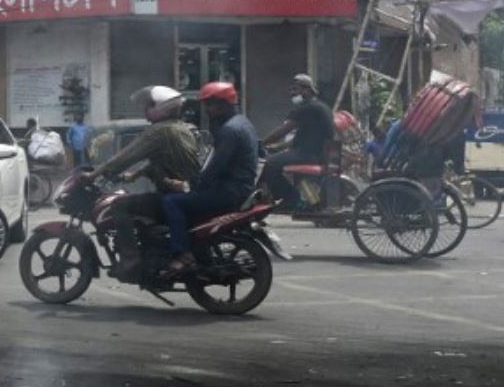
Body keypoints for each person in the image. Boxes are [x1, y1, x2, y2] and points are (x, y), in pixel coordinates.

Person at [82, 86, 200, 275]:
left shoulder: (159, 131)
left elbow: (126, 156)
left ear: (162, 107)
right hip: (187, 192)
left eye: (149, 105)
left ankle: (131, 260)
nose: (145, 109)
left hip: (174, 194)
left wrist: (94, 175)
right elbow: (164, 161)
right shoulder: (181, 128)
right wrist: (134, 176)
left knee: (119, 205)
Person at [160, 81, 259, 277]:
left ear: (224, 104)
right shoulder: (243, 122)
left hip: (228, 191)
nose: (207, 109)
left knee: (171, 201)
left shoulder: (229, 131)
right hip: (240, 187)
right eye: (206, 104)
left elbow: (216, 167)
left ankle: (183, 254)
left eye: (210, 104)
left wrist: (189, 185)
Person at [259, 73, 335, 206]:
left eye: (295, 89)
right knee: (274, 158)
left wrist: (261, 143)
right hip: (315, 153)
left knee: (267, 165)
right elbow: (302, 136)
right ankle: (295, 198)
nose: (292, 93)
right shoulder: (320, 106)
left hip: (308, 154)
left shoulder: (307, 108)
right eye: (291, 90)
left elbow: (284, 130)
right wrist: (278, 147)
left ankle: (290, 199)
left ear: (307, 90)